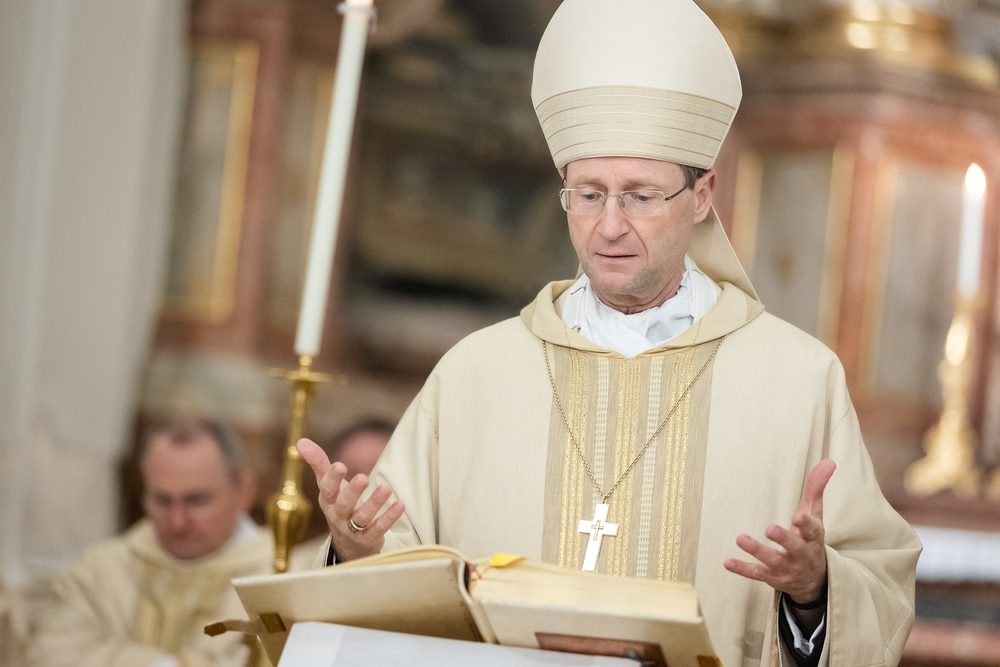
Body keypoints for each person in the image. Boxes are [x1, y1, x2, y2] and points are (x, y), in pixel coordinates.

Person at [298, 1, 922, 665]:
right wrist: (357, 551)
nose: (610, 225)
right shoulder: (475, 373)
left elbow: (878, 589)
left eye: (641, 195)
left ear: (702, 196)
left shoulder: (798, 379)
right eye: (589, 194)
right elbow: (399, 577)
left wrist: (814, 589)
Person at [29, 419, 271, 667]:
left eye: (197, 501)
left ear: (245, 492)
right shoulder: (98, 571)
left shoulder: (278, 577)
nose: (177, 522)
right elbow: (51, 656)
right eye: (163, 501)